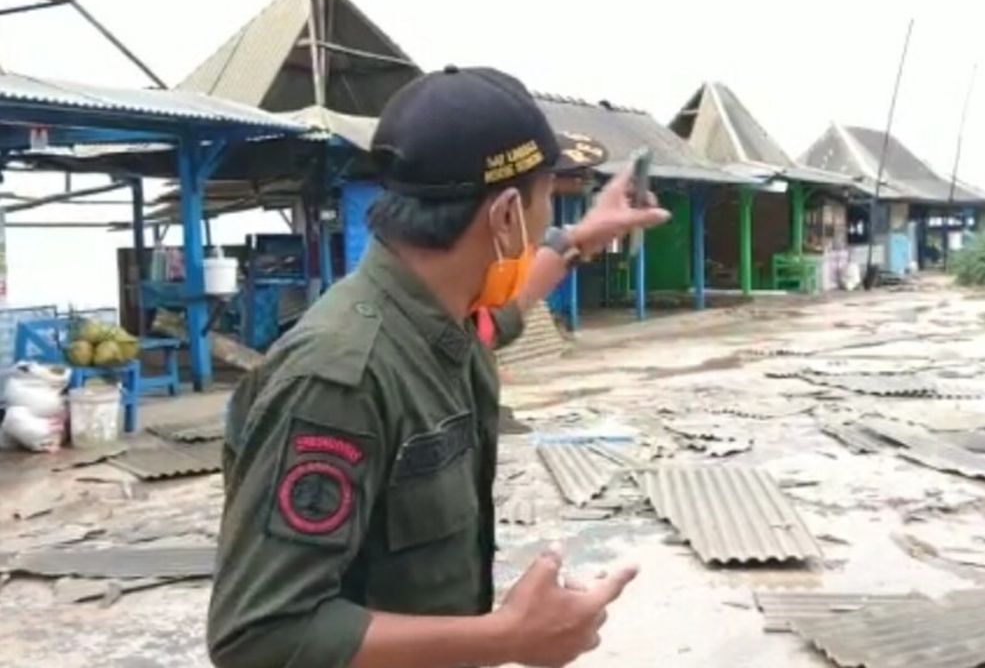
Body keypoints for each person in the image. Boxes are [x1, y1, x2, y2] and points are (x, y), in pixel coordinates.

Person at [207, 66, 670, 668]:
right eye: (546, 200)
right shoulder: (339, 377)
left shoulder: (438, 319)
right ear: (505, 216)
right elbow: (259, 636)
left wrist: (578, 239)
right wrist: (510, 636)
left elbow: (500, 317)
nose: (544, 222)